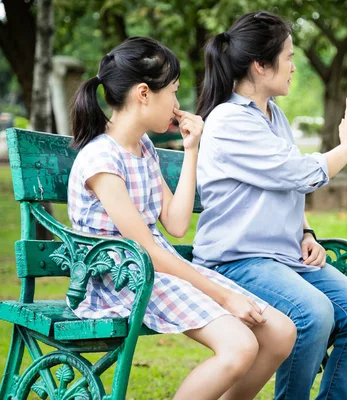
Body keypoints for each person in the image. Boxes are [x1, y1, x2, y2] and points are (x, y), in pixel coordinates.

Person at [68, 36, 296, 400]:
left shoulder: (143, 149)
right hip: (123, 276)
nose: (177, 103)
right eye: (173, 91)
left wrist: (191, 149)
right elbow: (143, 249)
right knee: (239, 346)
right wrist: (224, 296)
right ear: (144, 93)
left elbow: (174, 224)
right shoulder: (102, 161)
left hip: (158, 267)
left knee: (280, 333)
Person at [192, 11, 347, 400]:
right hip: (236, 261)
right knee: (313, 313)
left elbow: (282, 184)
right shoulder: (229, 120)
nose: (295, 67)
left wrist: (306, 230)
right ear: (261, 66)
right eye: (289, 57)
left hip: (281, 258)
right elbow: (298, 172)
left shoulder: (273, 115)